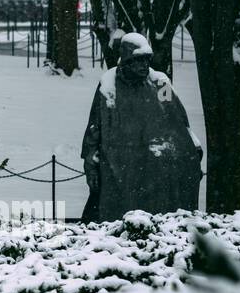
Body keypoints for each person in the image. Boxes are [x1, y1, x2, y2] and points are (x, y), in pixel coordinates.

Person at [80, 32, 203, 221]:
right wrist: (91, 164)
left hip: (155, 164)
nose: (145, 65)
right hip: (120, 166)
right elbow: (95, 128)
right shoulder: (109, 86)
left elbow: (177, 119)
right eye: (139, 61)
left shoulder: (160, 83)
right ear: (127, 61)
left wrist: (192, 149)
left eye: (147, 60)